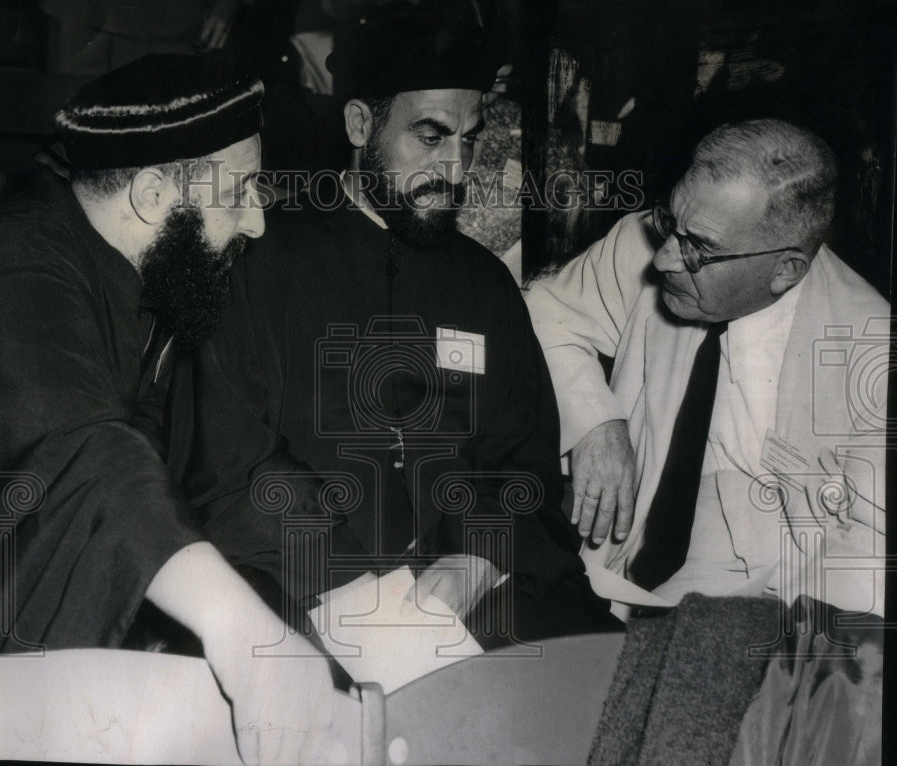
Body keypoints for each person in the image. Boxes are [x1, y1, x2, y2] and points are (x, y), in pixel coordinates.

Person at [0, 53, 341, 766]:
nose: (258, 221)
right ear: (148, 194)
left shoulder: (159, 276)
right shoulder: (7, 268)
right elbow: (89, 458)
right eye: (240, 191)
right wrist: (244, 636)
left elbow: (228, 467)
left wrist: (361, 592)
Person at [151, 10, 618, 646]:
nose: (456, 171)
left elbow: (524, 466)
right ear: (359, 124)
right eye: (430, 137)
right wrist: (356, 585)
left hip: (474, 593)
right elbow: (229, 465)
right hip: (302, 583)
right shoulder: (256, 261)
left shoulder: (485, 285)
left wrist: (475, 562)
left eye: (470, 139)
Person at [525, 119, 887, 616]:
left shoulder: (870, 354)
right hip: (609, 576)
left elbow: (871, 556)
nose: (665, 259)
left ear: (786, 270)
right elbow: (544, 315)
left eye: (700, 249)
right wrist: (596, 422)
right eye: (670, 222)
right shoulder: (650, 239)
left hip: (753, 614)